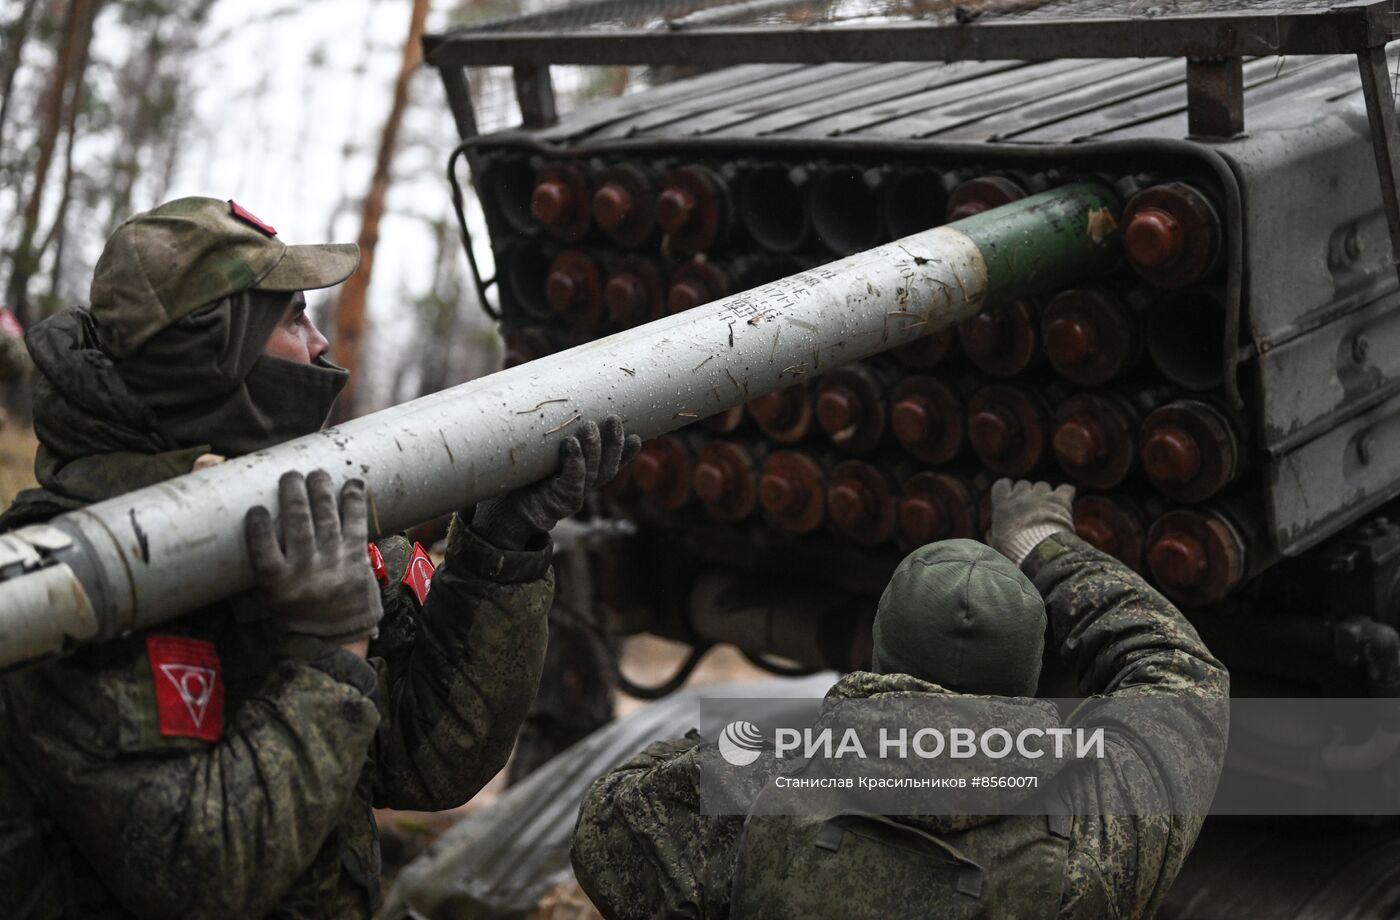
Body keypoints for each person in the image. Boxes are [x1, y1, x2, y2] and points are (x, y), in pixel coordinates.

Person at [0, 196, 639, 919]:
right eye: (293, 318)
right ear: (216, 356)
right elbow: (200, 874)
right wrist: (330, 652)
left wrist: (499, 550)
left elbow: (430, 760)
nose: (321, 348)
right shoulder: (68, 585)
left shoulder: (301, 506)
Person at [570, 480, 1230, 920]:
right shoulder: (1099, 833)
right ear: (1031, 674)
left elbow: (605, 829)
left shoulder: (744, 803)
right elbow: (1177, 670)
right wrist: (1044, 546)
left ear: (881, 646)